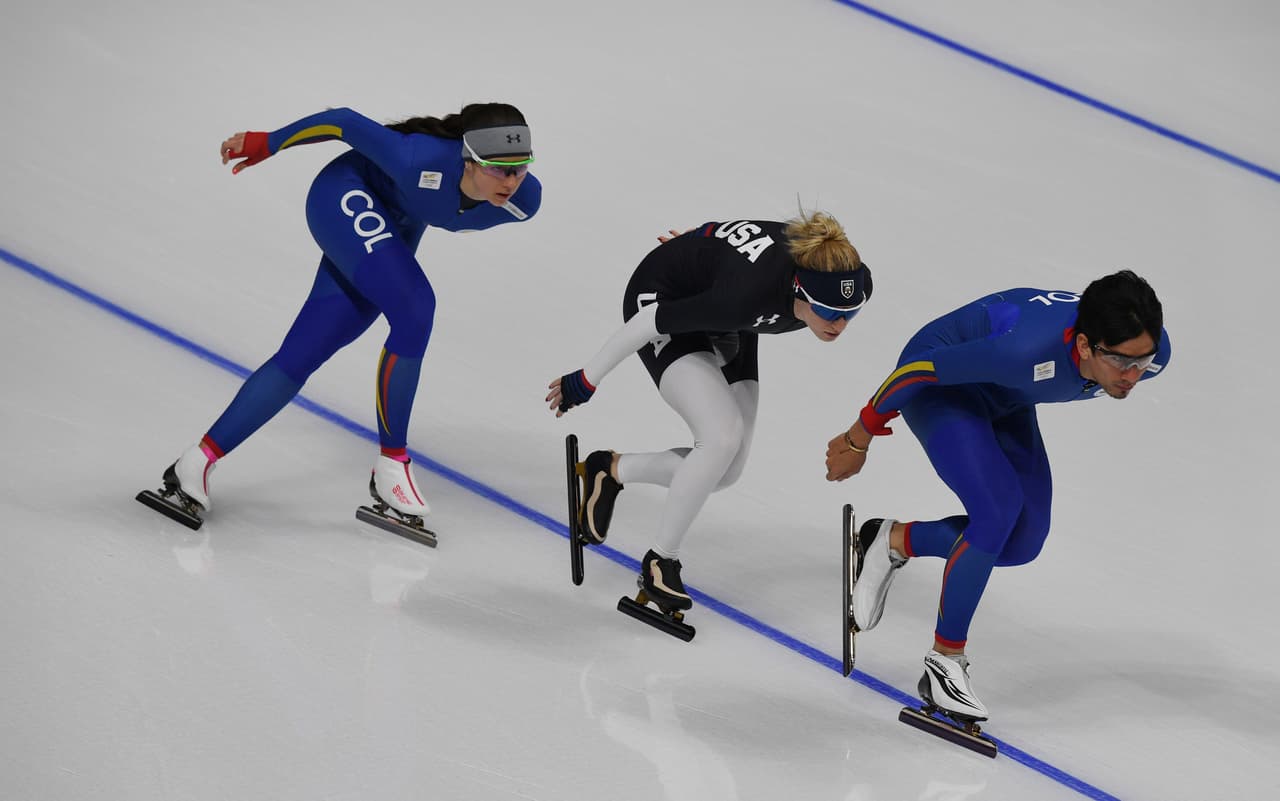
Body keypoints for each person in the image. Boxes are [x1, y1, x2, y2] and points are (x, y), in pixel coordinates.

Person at [148, 103, 541, 525]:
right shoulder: (417, 157)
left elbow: (438, 204)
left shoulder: (524, 201)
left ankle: (196, 461)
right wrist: (270, 142)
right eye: (499, 169)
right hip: (345, 194)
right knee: (415, 308)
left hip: (394, 226)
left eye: (520, 168)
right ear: (468, 158)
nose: (512, 182)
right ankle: (393, 465)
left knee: (305, 351)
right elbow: (343, 122)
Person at [825, 270, 1170, 722]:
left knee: (1022, 541)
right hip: (940, 384)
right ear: (1085, 346)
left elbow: (1129, 358)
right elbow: (915, 372)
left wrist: (1135, 360)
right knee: (997, 511)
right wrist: (858, 437)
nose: (1133, 376)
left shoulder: (1152, 353)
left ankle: (891, 541)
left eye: (1142, 363)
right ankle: (945, 662)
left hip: (1005, 392)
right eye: (1123, 363)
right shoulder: (1022, 351)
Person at [548, 213, 873, 613]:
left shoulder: (847, 273)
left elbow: (762, 235)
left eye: (851, 312)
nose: (839, 324)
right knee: (720, 436)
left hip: (731, 317)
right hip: (664, 297)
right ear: (799, 290)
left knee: (727, 468)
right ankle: (660, 561)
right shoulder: (747, 292)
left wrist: (704, 245)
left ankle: (610, 470)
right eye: (827, 311)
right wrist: (587, 378)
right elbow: (648, 322)